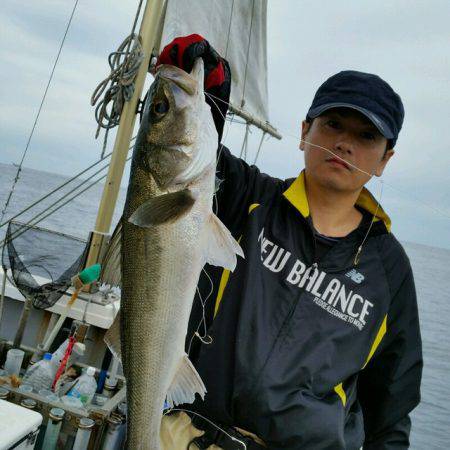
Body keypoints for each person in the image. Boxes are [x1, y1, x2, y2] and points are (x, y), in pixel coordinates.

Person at [157, 35, 423, 450]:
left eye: (367, 135)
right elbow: (177, 161)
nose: (344, 143)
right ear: (305, 132)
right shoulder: (245, 196)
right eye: (333, 124)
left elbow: (391, 406)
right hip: (187, 435)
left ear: (385, 158)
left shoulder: (389, 269)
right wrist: (199, 98)